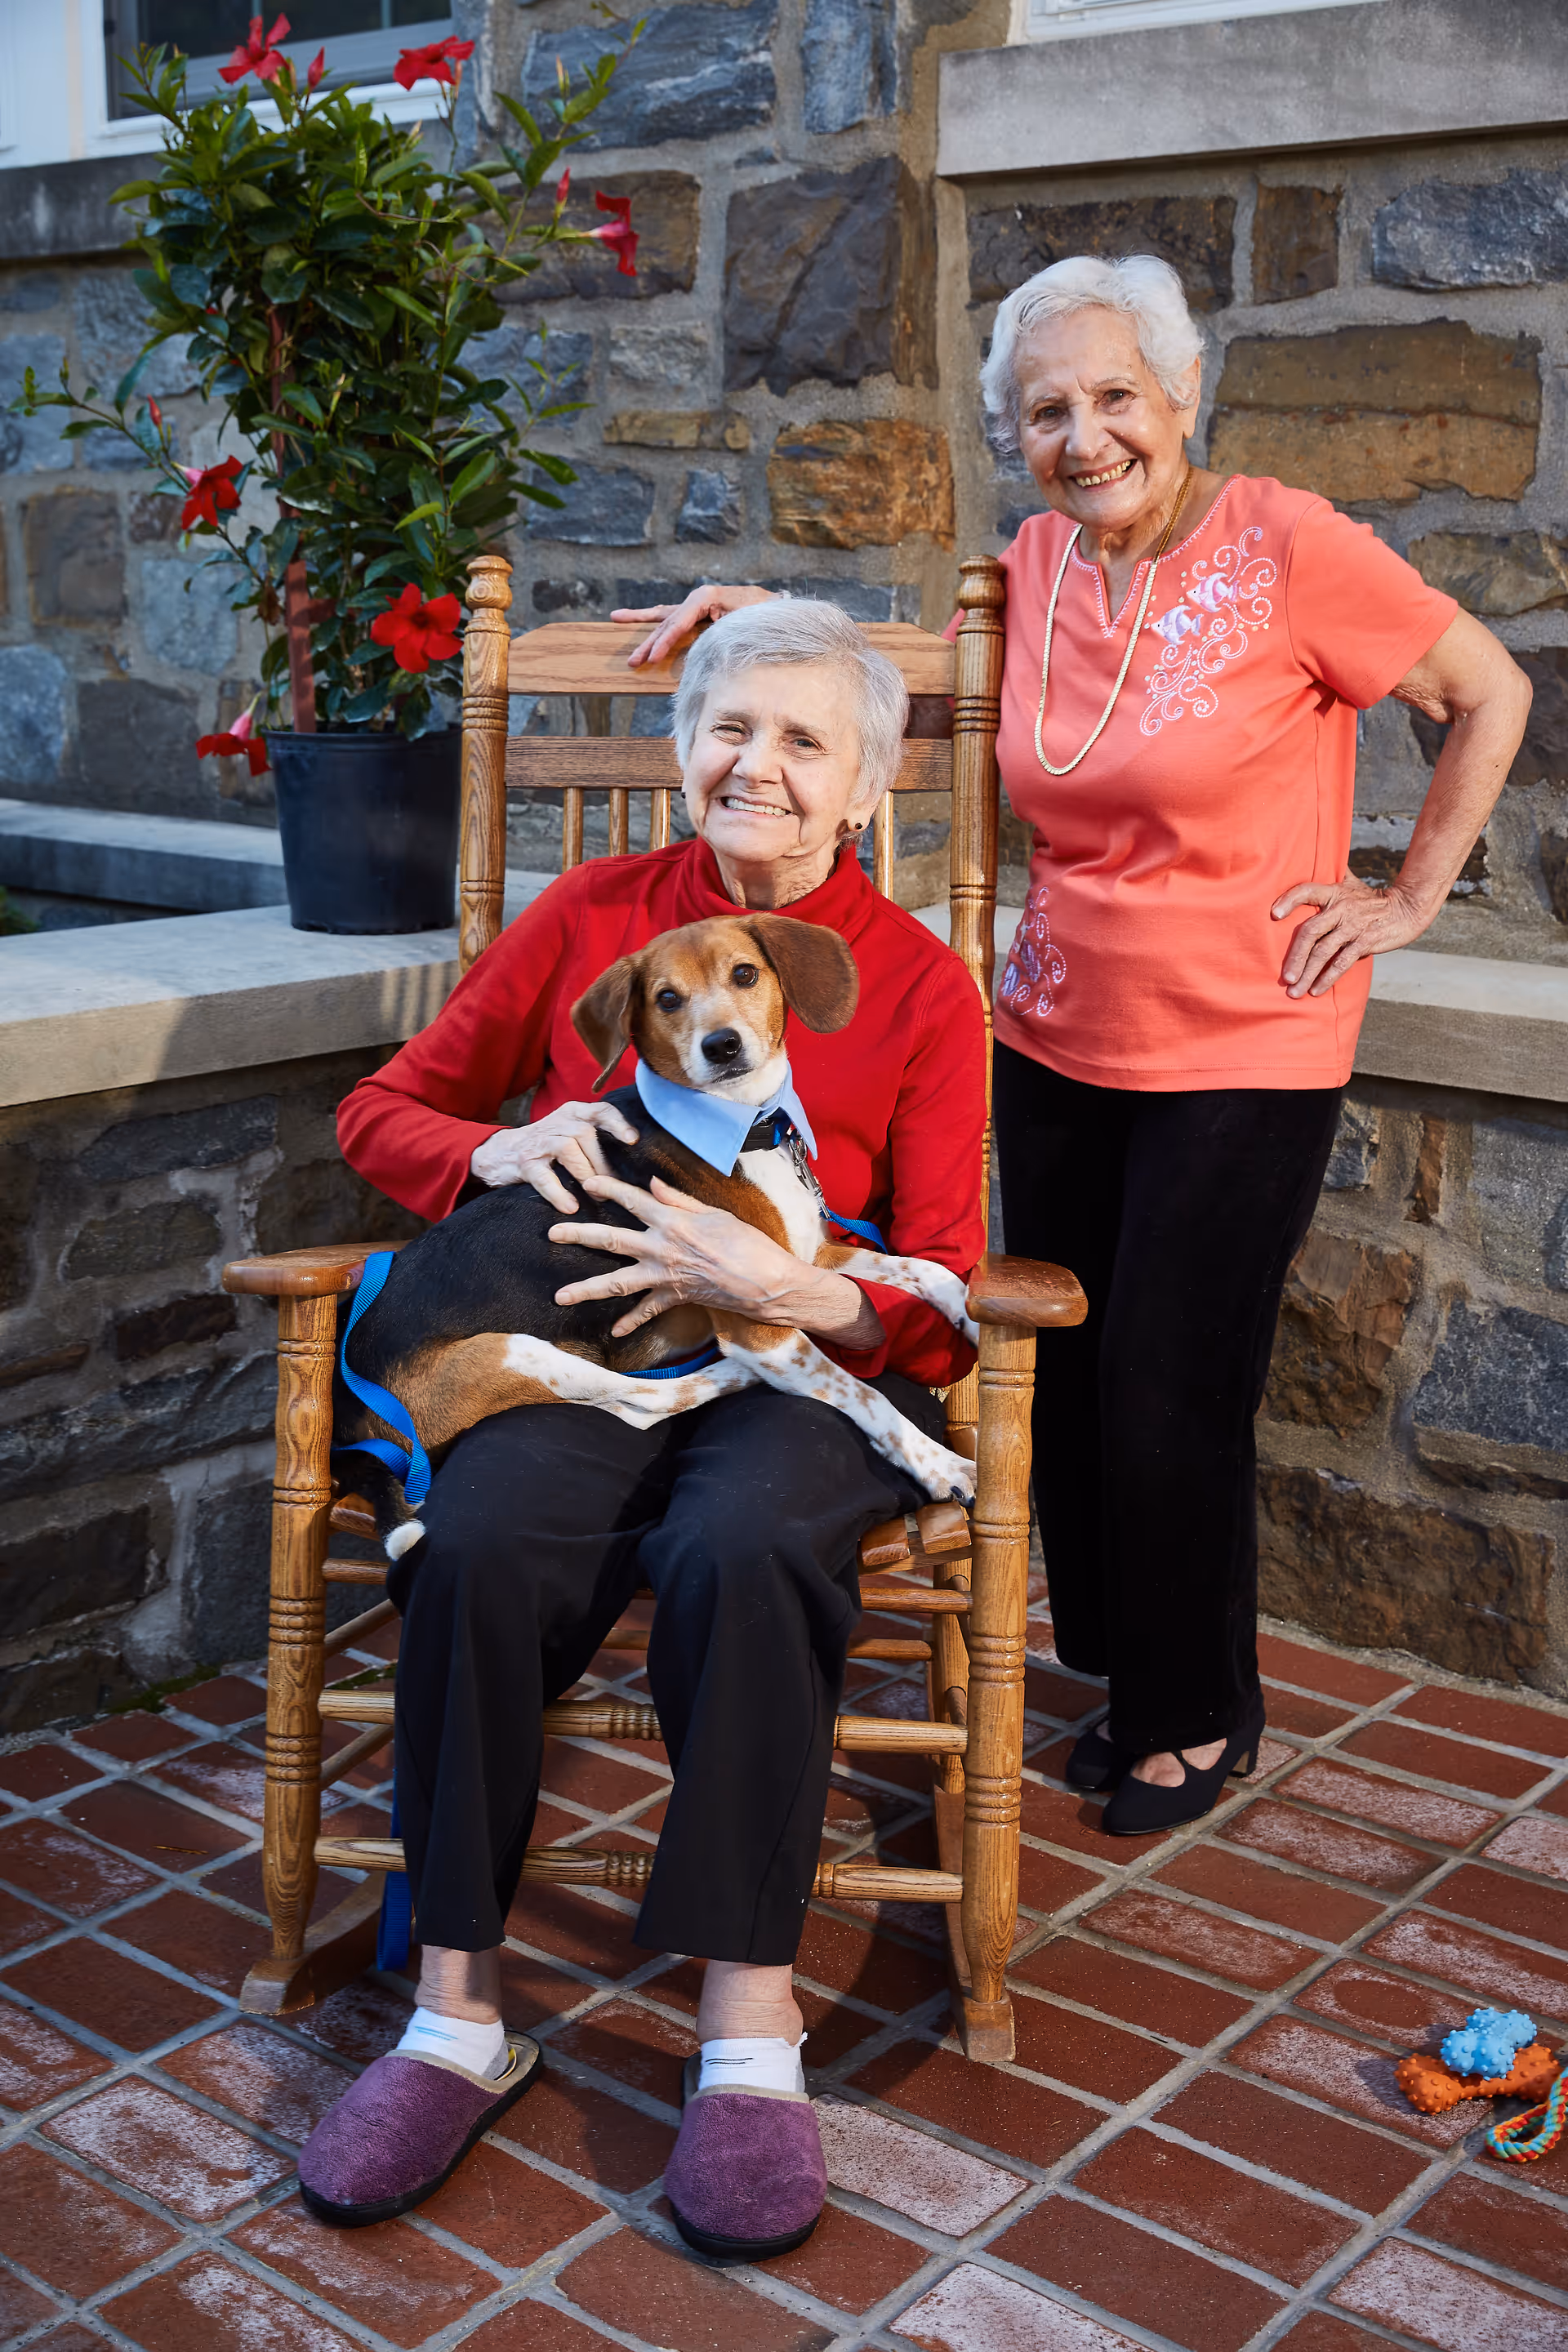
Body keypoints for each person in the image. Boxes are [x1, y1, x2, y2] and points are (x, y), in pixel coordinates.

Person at [614, 252, 1530, 1840]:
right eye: (1048, 410)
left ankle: (1201, 1709)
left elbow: (1486, 689)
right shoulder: (1035, 562)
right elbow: (916, 670)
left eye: (1117, 396)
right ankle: (1123, 1671)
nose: (1086, 433)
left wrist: (1407, 898)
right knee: (1077, 1379)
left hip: (1249, 1044)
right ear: (1015, 437)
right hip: (1054, 1035)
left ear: (1181, 397)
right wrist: (757, 623)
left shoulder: (1291, 545)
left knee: (1176, 1386)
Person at [296, 601, 984, 2256]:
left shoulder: (918, 984)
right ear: (685, 757)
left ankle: (749, 2038)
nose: (758, 765)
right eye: (728, 730)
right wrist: (491, 1157)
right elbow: (384, 1109)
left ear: (868, 786)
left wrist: (798, 1287)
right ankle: (459, 2014)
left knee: (742, 1540)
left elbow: (949, 1274)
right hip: (582, 1342)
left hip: (791, 1365)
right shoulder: (594, 919)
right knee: (476, 1535)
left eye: (804, 740)